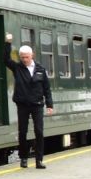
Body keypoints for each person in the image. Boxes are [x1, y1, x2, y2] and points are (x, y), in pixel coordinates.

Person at [3, 35, 54, 168]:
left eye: (27, 57)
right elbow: (5, 60)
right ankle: (24, 158)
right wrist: (7, 43)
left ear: (32, 55)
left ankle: (39, 160)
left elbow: (46, 88)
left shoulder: (40, 69)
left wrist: (49, 104)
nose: (25, 59)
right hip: (23, 104)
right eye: (22, 57)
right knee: (22, 132)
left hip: (37, 104)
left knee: (39, 131)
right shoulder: (17, 68)